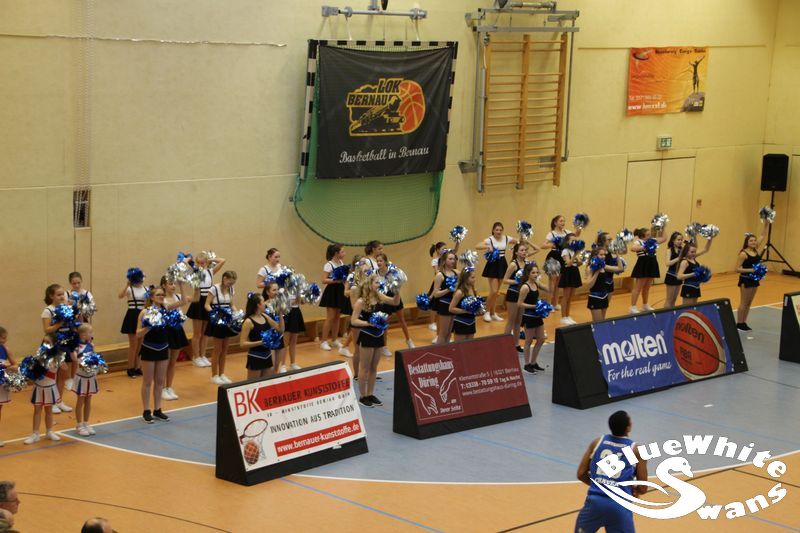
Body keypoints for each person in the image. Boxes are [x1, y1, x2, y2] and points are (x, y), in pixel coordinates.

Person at [575, 411, 648, 533]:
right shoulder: (636, 450)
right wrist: (633, 490)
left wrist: (601, 484)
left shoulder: (597, 442)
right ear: (628, 428)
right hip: (619, 506)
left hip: (594, 505)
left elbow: (581, 474)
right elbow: (643, 488)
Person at [137, 285, 188, 423]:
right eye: (158, 294)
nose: (161, 296)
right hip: (149, 348)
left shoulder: (166, 308)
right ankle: (146, 410)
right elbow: (138, 334)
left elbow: (184, 301)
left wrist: (181, 284)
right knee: (147, 381)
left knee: (160, 381)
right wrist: (149, 326)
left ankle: (157, 409)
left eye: (162, 295)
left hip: (163, 347)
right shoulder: (144, 312)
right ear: (152, 297)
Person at [350, 274, 400, 407]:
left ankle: (370, 393)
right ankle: (363, 396)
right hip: (367, 335)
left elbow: (395, 302)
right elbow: (353, 320)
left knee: (373, 367)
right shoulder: (361, 302)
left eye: (380, 282)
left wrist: (397, 291)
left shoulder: (379, 297)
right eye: (377, 282)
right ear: (370, 284)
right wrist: (368, 323)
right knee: (364, 367)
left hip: (379, 335)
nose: (380, 285)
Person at [256, 248, 305, 371]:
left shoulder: (282, 269)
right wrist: (274, 283)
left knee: (293, 337)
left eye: (279, 257)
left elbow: (289, 285)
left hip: (285, 302)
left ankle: (292, 362)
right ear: (269, 257)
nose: (278, 259)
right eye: (275, 257)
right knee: (283, 337)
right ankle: (281, 364)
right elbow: (259, 284)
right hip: (273, 301)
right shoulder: (264, 269)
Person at [186, 251, 226, 368]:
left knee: (205, 333)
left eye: (202, 263)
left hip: (208, 301)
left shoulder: (210, 271)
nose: (200, 265)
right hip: (198, 303)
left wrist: (210, 260)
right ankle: (196, 357)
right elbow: (184, 262)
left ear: (206, 263)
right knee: (197, 333)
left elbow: (223, 260)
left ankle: (203, 355)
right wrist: (189, 259)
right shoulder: (194, 272)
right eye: (198, 263)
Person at [39, 284, 74, 413]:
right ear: (51, 296)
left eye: (62, 294)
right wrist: (60, 322)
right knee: (53, 374)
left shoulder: (66, 308)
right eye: (58, 295)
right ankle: (51, 401)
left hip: (66, 342)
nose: (62, 297)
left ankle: (59, 400)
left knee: (62, 374)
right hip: (53, 343)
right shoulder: (48, 310)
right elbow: (47, 330)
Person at [475, 222, 519, 322]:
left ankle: (493, 313)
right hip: (493, 264)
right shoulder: (490, 239)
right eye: (497, 230)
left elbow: (518, 241)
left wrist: (522, 236)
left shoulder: (506, 238)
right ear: (493, 230)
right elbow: (477, 246)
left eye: (500, 230)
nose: (499, 232)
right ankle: (486, 312)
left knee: (496, 292)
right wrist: (488, 247)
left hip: (502, 264)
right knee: (494, 291)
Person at [23, 334, 61, 444]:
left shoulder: (57, 357)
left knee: (49, 410)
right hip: (39, 387)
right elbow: (33, 371)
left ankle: (49, 431)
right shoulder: (39, 355)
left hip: (50, 387)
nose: (45, 344)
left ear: (54, 344)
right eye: (44, 342)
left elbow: (63, 368)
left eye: (48, 342)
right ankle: (35, 434)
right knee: (37, 410)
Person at [161, 276, 194, 400]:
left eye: (174, 283)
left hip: (177, 330)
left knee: (172, 362)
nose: (173, 286)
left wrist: (197, 285)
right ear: (164, 285)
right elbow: (183, 302)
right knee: (165, 362)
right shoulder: (161, 299)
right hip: (166, 331)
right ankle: (161, 388)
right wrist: (181, 285)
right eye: (171, 284)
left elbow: (196, 299)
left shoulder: (178, 296)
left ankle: (169, 387)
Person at [542, 215, 583, 312]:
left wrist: (579, 226)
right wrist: (554, 244)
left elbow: (576, 235)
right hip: (553, 258)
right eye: (560, 221)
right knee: (552, 282)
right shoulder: (552, 234)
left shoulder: (567, 232)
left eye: (564, 221)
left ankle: (555, 303)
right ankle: (548, 305)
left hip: (563, 257)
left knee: (558, 283)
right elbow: (543, 245)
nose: (563, 223)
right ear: (555, 222)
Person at [376, 253, 415, 354]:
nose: (379, 263)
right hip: (383, 298)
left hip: (394, 295)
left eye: (381, 261)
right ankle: (384, 346)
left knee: (402, 319)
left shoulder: (393, 271)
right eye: (377, 261)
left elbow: (403, 279)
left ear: (385, 262)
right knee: (384, 322)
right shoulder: (375, 273)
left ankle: (409, 340)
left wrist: (398, 287)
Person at [205, 271, 238, 384]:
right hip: (217, 319)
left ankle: (222, 373)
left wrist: (237, 314)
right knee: (217, 349)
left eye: (233, 283)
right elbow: (206, 304)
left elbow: (231, 304)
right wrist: (214, 315)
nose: (231, 285)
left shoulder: (231, 289)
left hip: (227, 320)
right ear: (224, 278)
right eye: (229, 282)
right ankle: (214, 375)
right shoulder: (214, 289)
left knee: (225, 349)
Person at [239, 292, 282, 380]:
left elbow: (280, 329)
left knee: (266, 384)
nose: (265, 304)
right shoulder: (248, 322)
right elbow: (242, 344)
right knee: (253, 385)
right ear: (258, 305)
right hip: (255, 356)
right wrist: (261, 342)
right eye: (263, 302)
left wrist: (280, 313)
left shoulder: (265, 316)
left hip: (267, 355)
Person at [735, 220, 770, 331]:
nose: (754, 242)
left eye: (754, 240)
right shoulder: (743, 254)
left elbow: (763, 235)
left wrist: (766, 223)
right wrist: (753, 270)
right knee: (744, 302)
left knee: (749, 302)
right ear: (747, 242)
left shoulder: (755, 250)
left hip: (754, 279)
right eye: (751, 241)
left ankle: (744, 322)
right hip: (746, 280)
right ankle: (739, 323)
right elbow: (737, 269)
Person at [517, 263, 548, 373]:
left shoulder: (536, 283)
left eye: (537, 272)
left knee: (541, 339)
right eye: (533, 273)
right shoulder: (525, 287)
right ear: (528, 274)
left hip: (537, 315)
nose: (535, 274)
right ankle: (526, 364)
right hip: (529, 316)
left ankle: (533, 362)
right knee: (528, 341)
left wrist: (551, 276)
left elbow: (550, 289)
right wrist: (534, 306)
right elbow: (519, 304)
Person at [629, 224, 668, 313]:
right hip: (643, 264)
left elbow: (664, 238)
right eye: (648, 235)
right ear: (643, 236)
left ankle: (645, 304)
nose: (650, 236)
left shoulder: (653, 241)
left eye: (650, 234)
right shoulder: (639, 242)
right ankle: (633, 306)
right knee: (638, 287)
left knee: (647, 287)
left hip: (652, 264)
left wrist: (663, 227)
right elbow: (632, 248)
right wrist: (644, 247)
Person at [118, 269, 147, 377]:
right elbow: (120, 295)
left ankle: (137, 367)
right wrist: (127, 284)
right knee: (133, 345)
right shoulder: (129, 289)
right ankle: (130, 368)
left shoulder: (146, 289)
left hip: (143, 314)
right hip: (132, 315)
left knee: (140, 344)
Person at [319, 243, 347, 352]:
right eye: (342, 251)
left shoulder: (341, 263)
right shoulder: (329, 265)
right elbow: (324, 280)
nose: (344, 253)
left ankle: (334, 340)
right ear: (336, 253)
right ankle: (323, 341)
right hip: (332, 291)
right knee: (330, 317)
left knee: (337, 317)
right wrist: (336, 280)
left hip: (340, 291)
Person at [503, 243, 530, 353]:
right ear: (516, 253)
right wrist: (517, 281)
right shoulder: (513, 265)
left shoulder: (527, 264)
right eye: (522, 250)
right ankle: (505, 344)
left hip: (522, 294)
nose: (524, 252)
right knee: (511, 320)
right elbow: (505, 280)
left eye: (525, 250)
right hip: (513, 294)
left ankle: (516, 344)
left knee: (519, 321)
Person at [73, 324, 99, 436]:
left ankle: (86, 423)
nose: (92, 334)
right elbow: (75, 360)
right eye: (90, 332)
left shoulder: (91, 345)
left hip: (90, 377)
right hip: (81, 377)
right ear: (83, 335)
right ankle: (79, 425)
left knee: (88, 400)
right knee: (80, 401)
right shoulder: (77, 347)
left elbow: (94, 358)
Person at [432, 251, 459, 344]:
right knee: (443, 332)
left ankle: (446, 350)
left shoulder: (456, 273)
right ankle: (439, 351)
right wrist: (448, 289)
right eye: (450, 259)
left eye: (454, 259)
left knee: (449, 332)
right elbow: (436, 294)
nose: (453, 261)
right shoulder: (440, 275)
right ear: (444, 260)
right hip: (444, 304)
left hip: (454, 303)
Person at [676, 239, 712, 306]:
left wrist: (710, 239)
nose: (694, 253)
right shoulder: (685, 262)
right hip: (688, 287)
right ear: (686, 251)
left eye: (695, 252)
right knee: (687, 309)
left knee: (694, 308)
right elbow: (679, 276)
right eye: (692, 252)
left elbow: (705, 249)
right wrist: (693, 274)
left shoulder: (693, 258)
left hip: (696, 286)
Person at [448, 269, 481, 341]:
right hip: (461, 322)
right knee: (460, 346)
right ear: (465, 278)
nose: (475, 279)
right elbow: (451, 308)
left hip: (471, 321)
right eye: (472, 277)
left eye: (474, 277)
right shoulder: (460, 292)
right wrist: (466, 311)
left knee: (469, 345)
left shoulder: (473, 290)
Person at [559, 234, 583, 325]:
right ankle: (563, 317)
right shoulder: (565, 251)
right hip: (567, 273)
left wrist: (580, 260)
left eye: (575, 241)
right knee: (566, 296)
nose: (574, 242)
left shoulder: (574, 251)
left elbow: (578, 264)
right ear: (567, 241)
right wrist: (575, 255)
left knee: (571, 296)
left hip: (574, 272)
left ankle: (568, 316)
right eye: (572, 240)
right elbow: (568, 263)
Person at [0, 327, 18, 447]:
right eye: (3, 338)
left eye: (5, 338)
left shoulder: (6, 349)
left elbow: (15, 364)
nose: (5, 340)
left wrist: (10, 368)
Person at [585, 248, 610, 322]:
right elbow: (589, 285)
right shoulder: (590, 268)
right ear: (595, 256)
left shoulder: (604, 266)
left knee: (603, 322)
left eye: (604, 254)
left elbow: (619, 269)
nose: (603, 256)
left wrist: (618, 255)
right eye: (601, 255)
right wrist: (597, 271)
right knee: (598, 323)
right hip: (595, 297)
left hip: (604, 296)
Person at [663, 232, 685, 308]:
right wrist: (678, 258)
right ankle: (665, 314)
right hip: (671, 275)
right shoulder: (669, 250)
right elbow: (667, 263)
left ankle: (672, 314)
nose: (680, 241)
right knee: (669, 299)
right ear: (673, 240)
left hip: (678, 276)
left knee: (674, 299)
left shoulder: (682, 250)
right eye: (678, 240)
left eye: (681, 240)